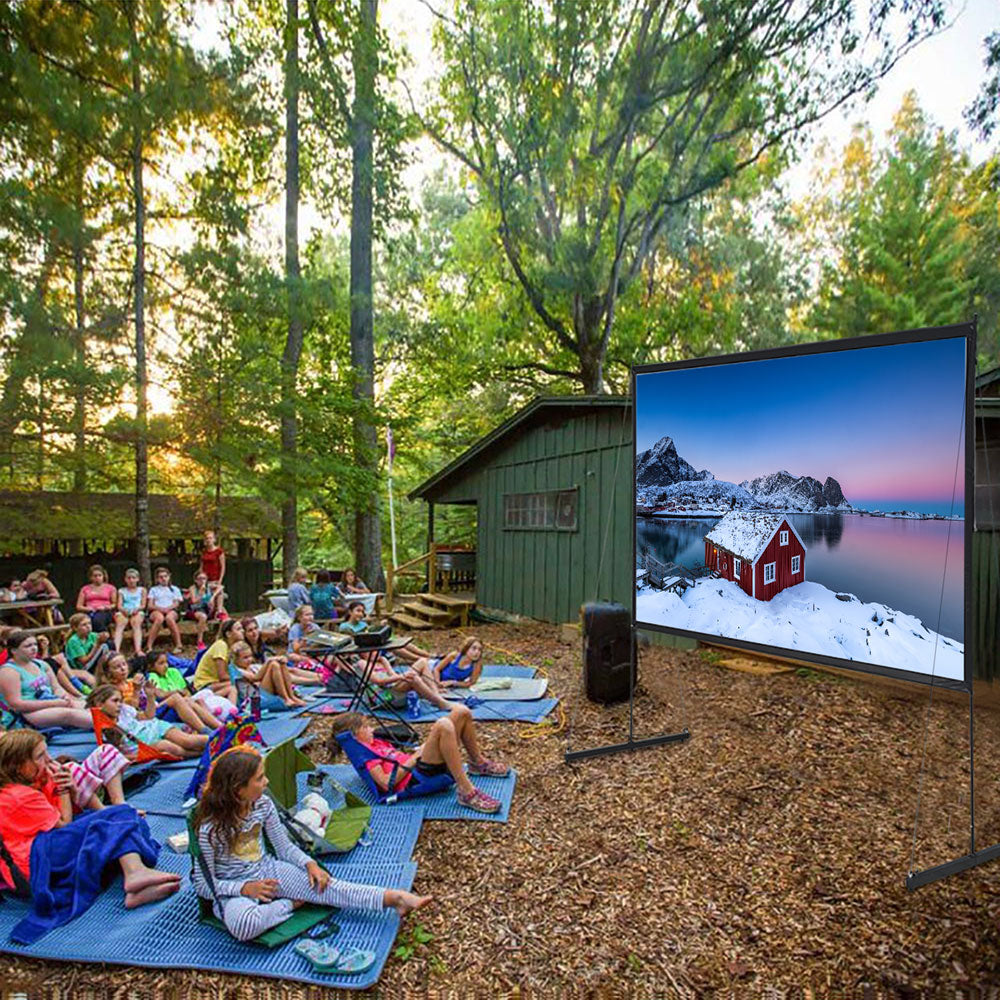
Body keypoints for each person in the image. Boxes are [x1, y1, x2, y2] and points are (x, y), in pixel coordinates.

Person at [191, 747, 431, 942]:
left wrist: (309, 864)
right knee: (245, 925)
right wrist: (245, 889)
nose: (266, 781)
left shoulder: (263, 804)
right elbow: (203, 885)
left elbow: (284, 848)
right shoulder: (210, 828)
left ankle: (394, 899)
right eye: (260, 778)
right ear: (238, 789)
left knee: (326, 886)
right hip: (233, 890)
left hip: (268, 871)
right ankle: (291, 904)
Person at [0, 730, 181, 941]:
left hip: (46, 844)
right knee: (119, 817)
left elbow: (70, 814)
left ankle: (134, 885)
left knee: (127, 821)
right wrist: (63, 790)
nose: (49, 759)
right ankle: (135, 872)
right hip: (36, 859)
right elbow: (64, 823)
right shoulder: (18, 796)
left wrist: (70, 788)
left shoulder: (33, 781)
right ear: (18, 766)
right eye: (40, 756)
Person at [330, 707, 507, 813]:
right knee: (443, 725)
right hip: (416, 778)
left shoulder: (374, 743)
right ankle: (466, 791)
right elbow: (385, 783)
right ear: (355, 735)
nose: (371, 729)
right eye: (366, 727)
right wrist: (416, 757)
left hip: (421, 766)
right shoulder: (366, 757)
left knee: (462, 712)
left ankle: (477, 763)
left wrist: (419, 753)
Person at [0, 632, 92, 730]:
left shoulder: (41, 664)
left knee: (86, 705)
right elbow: (16, 705)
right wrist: (55, 703)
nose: (34, 648)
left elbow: (56, 688)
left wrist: (64, 696)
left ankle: (102, 721)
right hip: (27, 713)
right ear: (14, 650)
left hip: (50, 701)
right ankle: (102, 725)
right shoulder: (9, 671)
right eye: (28, 646)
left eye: (35, 644)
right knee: (70, 714)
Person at [86, 685, 209, 758]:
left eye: (120, 700)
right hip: (145, 745)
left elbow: (148, 716)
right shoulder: (103, 726)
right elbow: (118, 755)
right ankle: (204, 753)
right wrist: (139, 756)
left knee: (187, 741)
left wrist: (150, 697)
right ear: (100, 704)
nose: (119, 704)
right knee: (170, 747)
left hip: (154, 727)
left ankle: (216, 737)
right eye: (115, 701)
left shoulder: (124, 710)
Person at [143, 649, 235, 725]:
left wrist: (184, 693)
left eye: (166, 662)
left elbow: (187, 690)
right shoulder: (152, 676)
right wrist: (177, 692)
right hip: (174, 705)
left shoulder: (173, 671)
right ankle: (217, 723)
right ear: (151, 667)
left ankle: (234, 715)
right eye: (161, 663)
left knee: (230, 688)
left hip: (188, 697)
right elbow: (160, 694)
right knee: (199, 700)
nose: (165, 666)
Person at [228, 642, 307, 710]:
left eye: (250, 656)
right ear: (236, 659)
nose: (249, 659)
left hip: (261, 692)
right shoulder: (236, 670)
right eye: (245, 658)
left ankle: (291, 696)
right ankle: (286, 698)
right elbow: (255, 678)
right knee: (273, 665)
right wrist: (269, 661)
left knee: (280, 664)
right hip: (254, 698)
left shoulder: (252, 667)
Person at [410, 637, 486, 696]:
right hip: (431, 669)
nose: (477, 652)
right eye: (474, 648)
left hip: (444, 682)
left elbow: (470, 682)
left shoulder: (476, 665)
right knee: (414, 682)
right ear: (466, 649)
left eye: (480, 650)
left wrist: (452, 682)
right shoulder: (454, 656)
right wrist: (437, 684)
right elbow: (437, 669)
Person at [192, 618, 243, 702]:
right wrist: (242, 676)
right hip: (204, 685)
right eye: (238, 629)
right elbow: (222, 676)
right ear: (228, 634)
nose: (242, 631)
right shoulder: (221, 645)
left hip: (216, 683)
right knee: (239, 685)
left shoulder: (230, 648)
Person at [145, 566, 183, 654]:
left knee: (169, 618)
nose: (163, 579)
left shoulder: (174, 589)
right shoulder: (154, 589)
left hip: (171, 610)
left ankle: (178, 645)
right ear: (157, 579)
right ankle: (149, 646)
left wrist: (168, 608)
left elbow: (177, 603)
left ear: (169, 577)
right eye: (161, 577)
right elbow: (150, 605)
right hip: (157, 610)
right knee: (159, 618)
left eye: (165, 576)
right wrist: (161, 609)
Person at [64, 612, 109, 682]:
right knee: (104, 647)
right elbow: (84, 661)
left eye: (89, 623)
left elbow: (101, 635)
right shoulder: (74, 641)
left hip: (92, 662)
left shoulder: (91, 635)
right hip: (83, 668)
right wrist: (97, 645)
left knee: (109, 644)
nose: (88, 626)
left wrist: (105, 635)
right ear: (75, 628)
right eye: (84, 625)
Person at [75, 565, 117, 633]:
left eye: (99, 575)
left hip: (105, 611)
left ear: (103, 576)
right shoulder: (85, 589)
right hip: (90, 612)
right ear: (91, 577)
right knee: (84, 620)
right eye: (95, 576)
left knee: (97, 620)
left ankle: (102, 636)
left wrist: (105, 607)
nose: (97, 578)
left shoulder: (111, 588)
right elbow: (79, 606)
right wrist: (88, 609)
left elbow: (114, 604)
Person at [114, 568, 146, 656]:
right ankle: (116, 650)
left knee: (136, 623)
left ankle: (138, 650)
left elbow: (143, 605)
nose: (131, 580)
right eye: (129, 578)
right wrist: (124, 611)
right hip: (124, 611)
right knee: (120, 624)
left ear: (137, 579)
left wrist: (137, 610)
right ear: (125, 579)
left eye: (133, 578)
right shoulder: (121, 591)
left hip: (137, 610)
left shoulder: (142, 590)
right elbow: (119, 605)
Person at [200, 529, 227, 617]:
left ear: (214, 539)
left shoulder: (219, 551)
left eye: (210, 538)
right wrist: (200, 578)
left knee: (219, 593)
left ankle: (220, 613)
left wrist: (220, 580)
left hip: (215, 578)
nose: (209, 540)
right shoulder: (204, 552)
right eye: (207, 538)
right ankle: (220, 614)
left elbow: (223, 567)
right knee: (210, 599)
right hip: (205, 579)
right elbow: (201, 566)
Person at [185, 571, 215, 648]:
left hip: (207, 609)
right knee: (203, 617)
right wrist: (201, 593)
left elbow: (221, 587)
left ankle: (219, 638)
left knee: (221, 614)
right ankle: (200, 641)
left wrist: (213, 597)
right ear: (196, 580)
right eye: (200, 578)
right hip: (195, 609)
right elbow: (194, 601)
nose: (202, 580)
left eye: (204, 578)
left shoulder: (209, 587)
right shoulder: (193, 588)